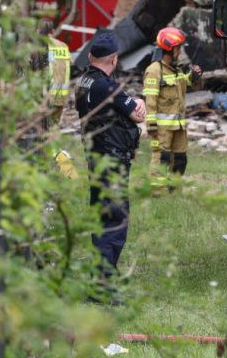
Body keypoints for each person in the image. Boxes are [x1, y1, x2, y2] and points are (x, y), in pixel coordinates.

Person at [75, 32, 146, 277]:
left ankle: (104, 272)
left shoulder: (84, 81)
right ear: (114, 59)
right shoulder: (106, 86)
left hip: (96, 157)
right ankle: (102, 282)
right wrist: (139, 102)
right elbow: (137, 115)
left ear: (90, 55)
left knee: (102, 216)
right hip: (111, 160)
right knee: (114, 220)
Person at [142, 27, 200, 188]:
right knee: (162, 158)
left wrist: (193, 77)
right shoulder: (154, 71)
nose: (180, 52)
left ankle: (173, 191)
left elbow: (184, 84)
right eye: (178, 48)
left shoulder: (177, 69)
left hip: (179, 125)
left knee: (180, 159)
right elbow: (150, 100)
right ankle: (157, 191)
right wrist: (151, 126)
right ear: (169, 48)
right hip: (162, 129)